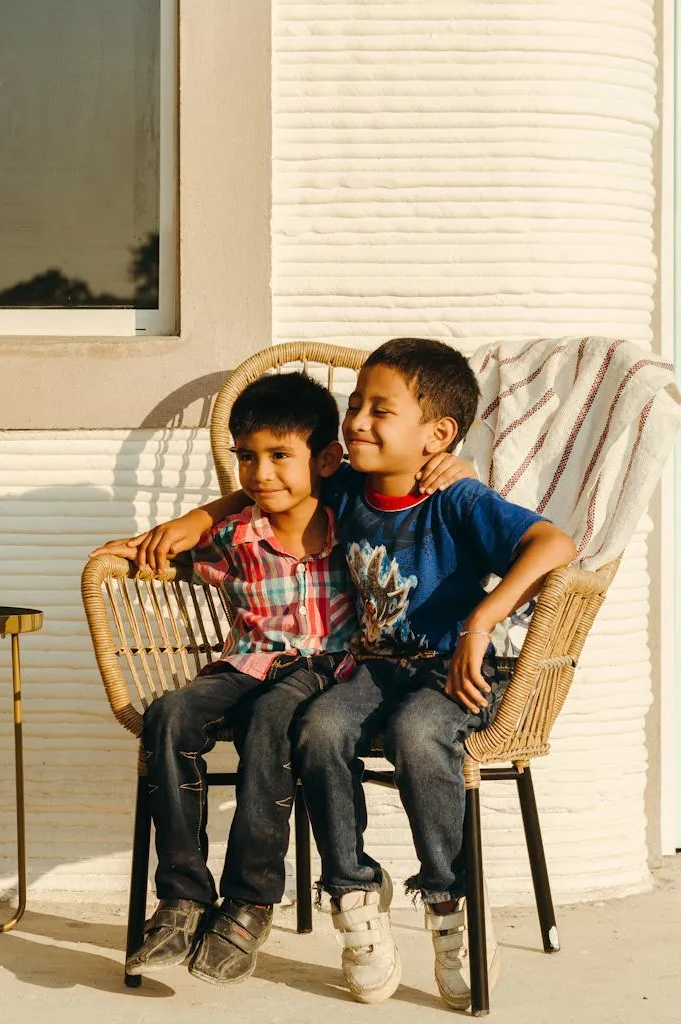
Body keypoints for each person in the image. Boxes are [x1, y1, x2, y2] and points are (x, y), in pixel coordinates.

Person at [132, 339, 576, 1009]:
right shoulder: (345, 487)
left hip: (449, 674)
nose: (357, 421)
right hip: (370, 672)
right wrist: (195, 518)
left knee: (418, 735)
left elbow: (554, 543)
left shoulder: (456, 497)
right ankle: (354, 894)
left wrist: (482, 621)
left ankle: (449, 898)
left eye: (380, 410)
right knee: (319, 728)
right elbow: (265, 487)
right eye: (355, 405)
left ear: (437, 435)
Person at [92, 374, 356, 984]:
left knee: (271, 719)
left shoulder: (353, 521)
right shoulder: (235, 536)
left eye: (280, 455)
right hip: (245, 664)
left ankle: (250, 901)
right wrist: (141, 548)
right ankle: (182, 897)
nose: (260, 474)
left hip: (322, 672)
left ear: (325, 459)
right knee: (168, 714)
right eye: (247, 456)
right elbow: (174, 557)